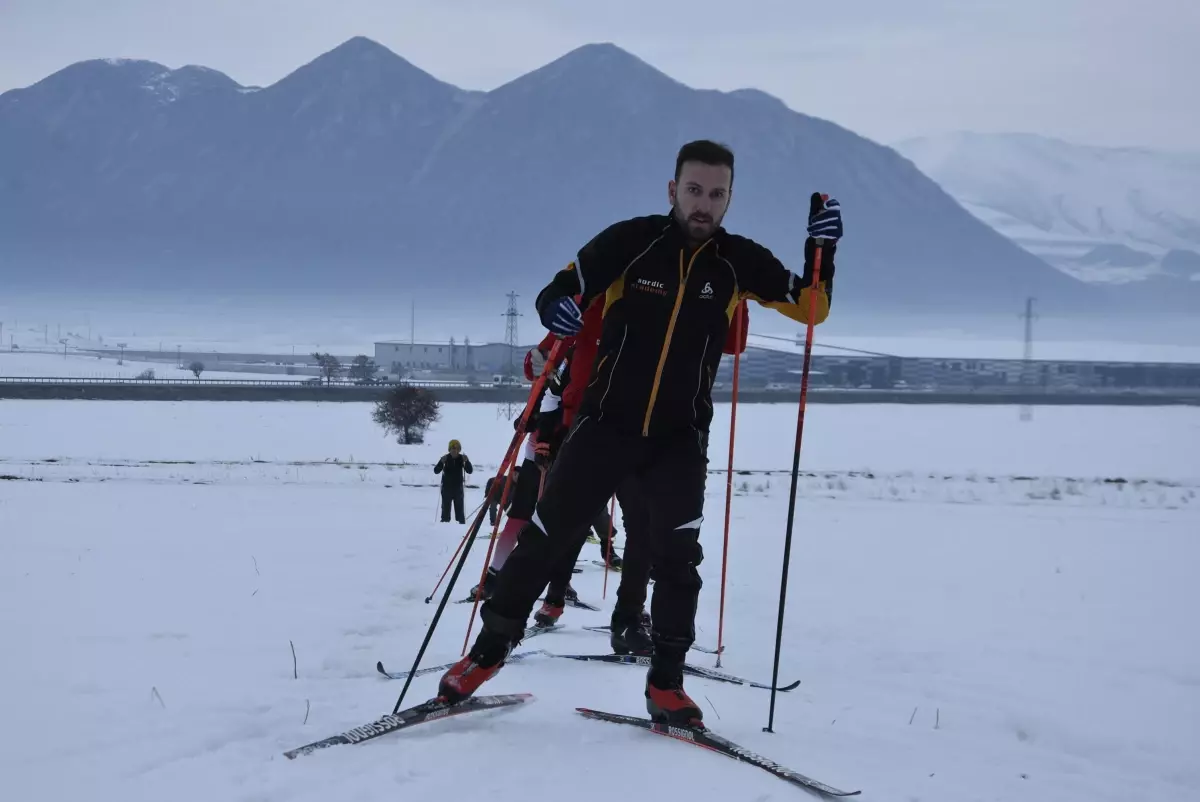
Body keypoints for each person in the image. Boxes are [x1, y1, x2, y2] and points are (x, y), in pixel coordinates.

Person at [439, 139, 842, 726]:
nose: (704, 204)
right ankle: (487, 654)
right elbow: (560, 288)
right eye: (694, 189)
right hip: (606, 426)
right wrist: (557, 309)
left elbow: (811, 307)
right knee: (546, 538)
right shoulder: (631, 243)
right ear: (672, 189)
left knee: (678, 559)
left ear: (730, 199)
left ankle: (666, 685)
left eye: (717, 194)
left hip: (680, 439)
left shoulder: (738, 263)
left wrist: (822, 249)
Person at [434, 440, 473, 523]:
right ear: (449, 449)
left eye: (456, 448)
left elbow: (469, 471)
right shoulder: (445, 458)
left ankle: (461, 527)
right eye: (452, 448)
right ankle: (443, 527)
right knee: (445, 513)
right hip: (446, 489)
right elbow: (436, 471)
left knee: (460, 514)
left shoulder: (461, 459)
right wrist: (441, 462)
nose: (454, 450)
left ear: (459, 450)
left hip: (458, 489)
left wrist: (467, 461)